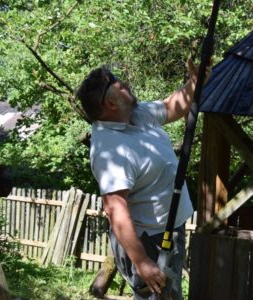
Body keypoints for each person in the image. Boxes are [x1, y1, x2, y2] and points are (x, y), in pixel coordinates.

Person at [76, 60, 201, 299]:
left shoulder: (136, 114)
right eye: (114, 83)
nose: (122, 83)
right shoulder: (110, 150)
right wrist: (142, 261)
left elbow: (171, 107)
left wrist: (195, 81)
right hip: (148, 241)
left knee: (170, 296)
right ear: (110, 103)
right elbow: (115, 209)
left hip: (169, 229)